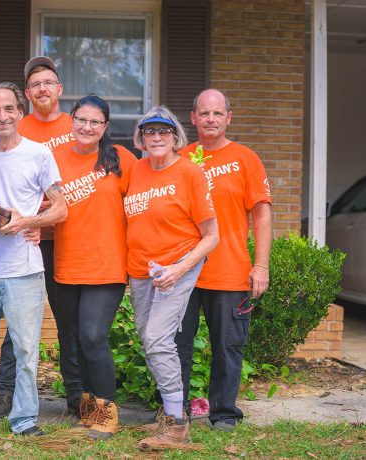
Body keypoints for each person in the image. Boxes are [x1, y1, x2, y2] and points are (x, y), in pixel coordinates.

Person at [0, 82, 67, 439]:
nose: (2, 115)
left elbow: (61, 208)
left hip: (23, 269)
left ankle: (24, 420)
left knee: (25, 349)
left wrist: (28, 222)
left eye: (9, 108)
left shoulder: (40, 154)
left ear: (20, 112)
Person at [174, 89, 272, 431]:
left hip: (230, 271)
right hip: (184, 272)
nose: (211, 119)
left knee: (228, 347)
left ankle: (224, 413)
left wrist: (261, 265)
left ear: (228, 117)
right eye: (204, 114)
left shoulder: (246, 158)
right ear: (194, 118)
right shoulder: (180, 158)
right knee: (177, 345)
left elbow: (261, 216)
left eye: (217, 113)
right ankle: (175, 411)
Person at [0, 56, 83, 419]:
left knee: (69, 320)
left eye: (48, 82)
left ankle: (76, 395)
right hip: (27, 239)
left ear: (59, 89)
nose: (42, 89)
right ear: (27, 94)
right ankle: (6, 392)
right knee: (18, 322)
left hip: (69, 238)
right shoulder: (15, 126)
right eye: (35, 84)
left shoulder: (77, 125)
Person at [124, 106, 219, 450]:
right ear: (141, 138)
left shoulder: (190, 173)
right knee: (149, 341)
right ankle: (170, 412)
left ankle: (178, 424)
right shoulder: (137, 169)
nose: (157, 137)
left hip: (176, 267)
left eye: (164, 131)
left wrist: (179, 269)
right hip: (140, 271)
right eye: (150, 131)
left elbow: (211, 235)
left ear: (176, 136)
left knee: (158, 340)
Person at [52, 95, 137, 439]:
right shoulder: (53, 159)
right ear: (72, 121)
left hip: (107, 265)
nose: (87, 127)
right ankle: (87, 407)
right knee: (74, 339)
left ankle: (106, 412)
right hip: (66, 264)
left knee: (93, 335)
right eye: (81, 120)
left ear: (105, 127)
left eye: (95, 122)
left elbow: (144, 204)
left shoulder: (123, 160)